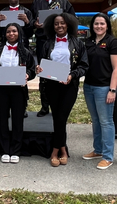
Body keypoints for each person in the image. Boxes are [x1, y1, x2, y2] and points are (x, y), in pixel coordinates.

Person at [36, 13, 88, 167]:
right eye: (56, 24)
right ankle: (63, 149)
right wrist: (39, 68)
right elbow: (43, 63)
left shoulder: (78, 43)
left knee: (61, 117)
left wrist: (72, 75)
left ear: (68, 25)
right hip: (52, 85)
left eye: (62, 23)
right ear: (52, 26)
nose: (59, 26)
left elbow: (84, 66)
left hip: (69, 85)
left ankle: (55, 150)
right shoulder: (47, 44)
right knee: (57, 118)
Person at [0, 23, 36, 164]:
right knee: (2, 120)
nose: (11, 34)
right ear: (5, 34)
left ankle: (15, 150)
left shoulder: (25, 51)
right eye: (8, 31)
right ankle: (5, 149)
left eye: (14, 31)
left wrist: (27, 75)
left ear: (19, 33)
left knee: (17, 120)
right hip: (2, 89)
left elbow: (31, 69)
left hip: (18, 90)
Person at [32, 0, 76, 117]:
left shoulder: (64, 2)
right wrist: (35, 24)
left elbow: (72, 19)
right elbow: (31, 19)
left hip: (60, 41)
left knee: (60, 71)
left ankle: (60, 103)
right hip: (43, 41)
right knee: (44, 73)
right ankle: (45, 106)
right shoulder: (37, 1)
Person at [82, 13, 117, 170]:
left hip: (104, 88)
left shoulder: (112, 42)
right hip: (88, 86)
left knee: (106, 122)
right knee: (96, 120)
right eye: (96, 24)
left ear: (107, 26)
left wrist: (112, 90)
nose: (99, 26)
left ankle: (108, 156)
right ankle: (98, 150)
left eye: (102, 24)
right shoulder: (88, 42)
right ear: (92, 26)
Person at [0, 0, 33, 118]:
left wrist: (27, 22)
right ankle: (4, 108)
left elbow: (30, 32)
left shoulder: (26, 11)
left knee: (21, 77)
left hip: (22, 48)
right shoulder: (2, 11)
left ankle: (22, 107)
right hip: (6, 47)